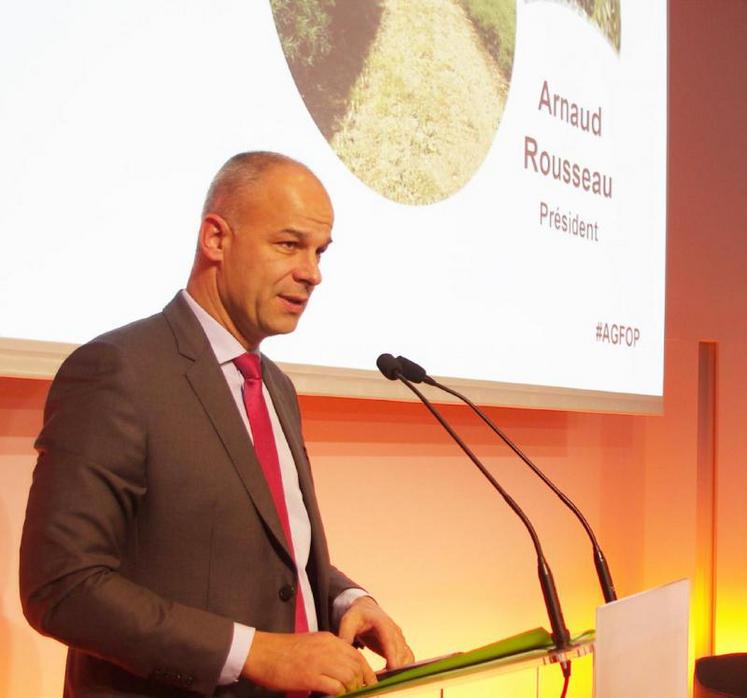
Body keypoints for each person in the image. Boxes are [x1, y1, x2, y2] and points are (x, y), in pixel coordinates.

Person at [20, 151, 414, 697]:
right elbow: (61, 586)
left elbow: (267, 553)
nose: (312, 273)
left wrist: (349, 600)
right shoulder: (117, 371)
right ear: (216, 239)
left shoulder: (275, 385)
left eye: (320, 252)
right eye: (288, 244)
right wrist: (253, 653)